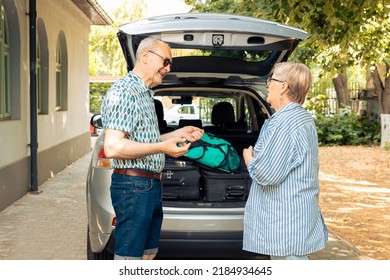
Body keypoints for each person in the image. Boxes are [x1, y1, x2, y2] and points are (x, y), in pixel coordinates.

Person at [101, 37, 204, 260]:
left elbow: (143, 139)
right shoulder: (126, 92)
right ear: (145, 57)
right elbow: (113, 147)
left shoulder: (145, 94)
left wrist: (177, 134)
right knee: (129, 259)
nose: (167, 68)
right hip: (133, 186)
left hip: (149, 186)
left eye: (170, 65)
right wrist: (163, 147)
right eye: (165, 61)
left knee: (148, 255)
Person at [242, 62, 328, 260]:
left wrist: (249, 160)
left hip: (286, 222)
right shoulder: (301, 118)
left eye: (271, 79)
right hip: (294, 217)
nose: (267, 83)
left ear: (283, 87)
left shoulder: (285, 123)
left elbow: (267, 174)